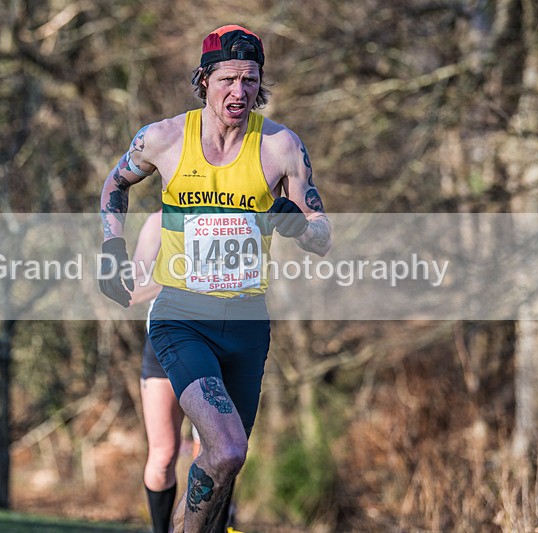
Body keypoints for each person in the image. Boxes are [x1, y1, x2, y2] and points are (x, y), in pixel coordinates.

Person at [99, 24, 332, 532]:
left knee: (227, 465)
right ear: (204, 80)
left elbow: (322, 234)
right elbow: (114, 185)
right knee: (221, 446)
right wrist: (111, 247)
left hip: (249, 323)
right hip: (182, 316)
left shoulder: (281, 146)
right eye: (228, 79)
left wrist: (297, 224)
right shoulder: (161, 139)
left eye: (251, 80)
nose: (240, 92)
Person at [132, 211, 239, 533]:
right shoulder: (158, 222)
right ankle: (159, 528)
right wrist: (179, 277)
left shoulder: (230, 219)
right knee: (163, 454)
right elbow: (132, 291)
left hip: (219, 342)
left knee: (216, 450)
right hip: (166, 341)